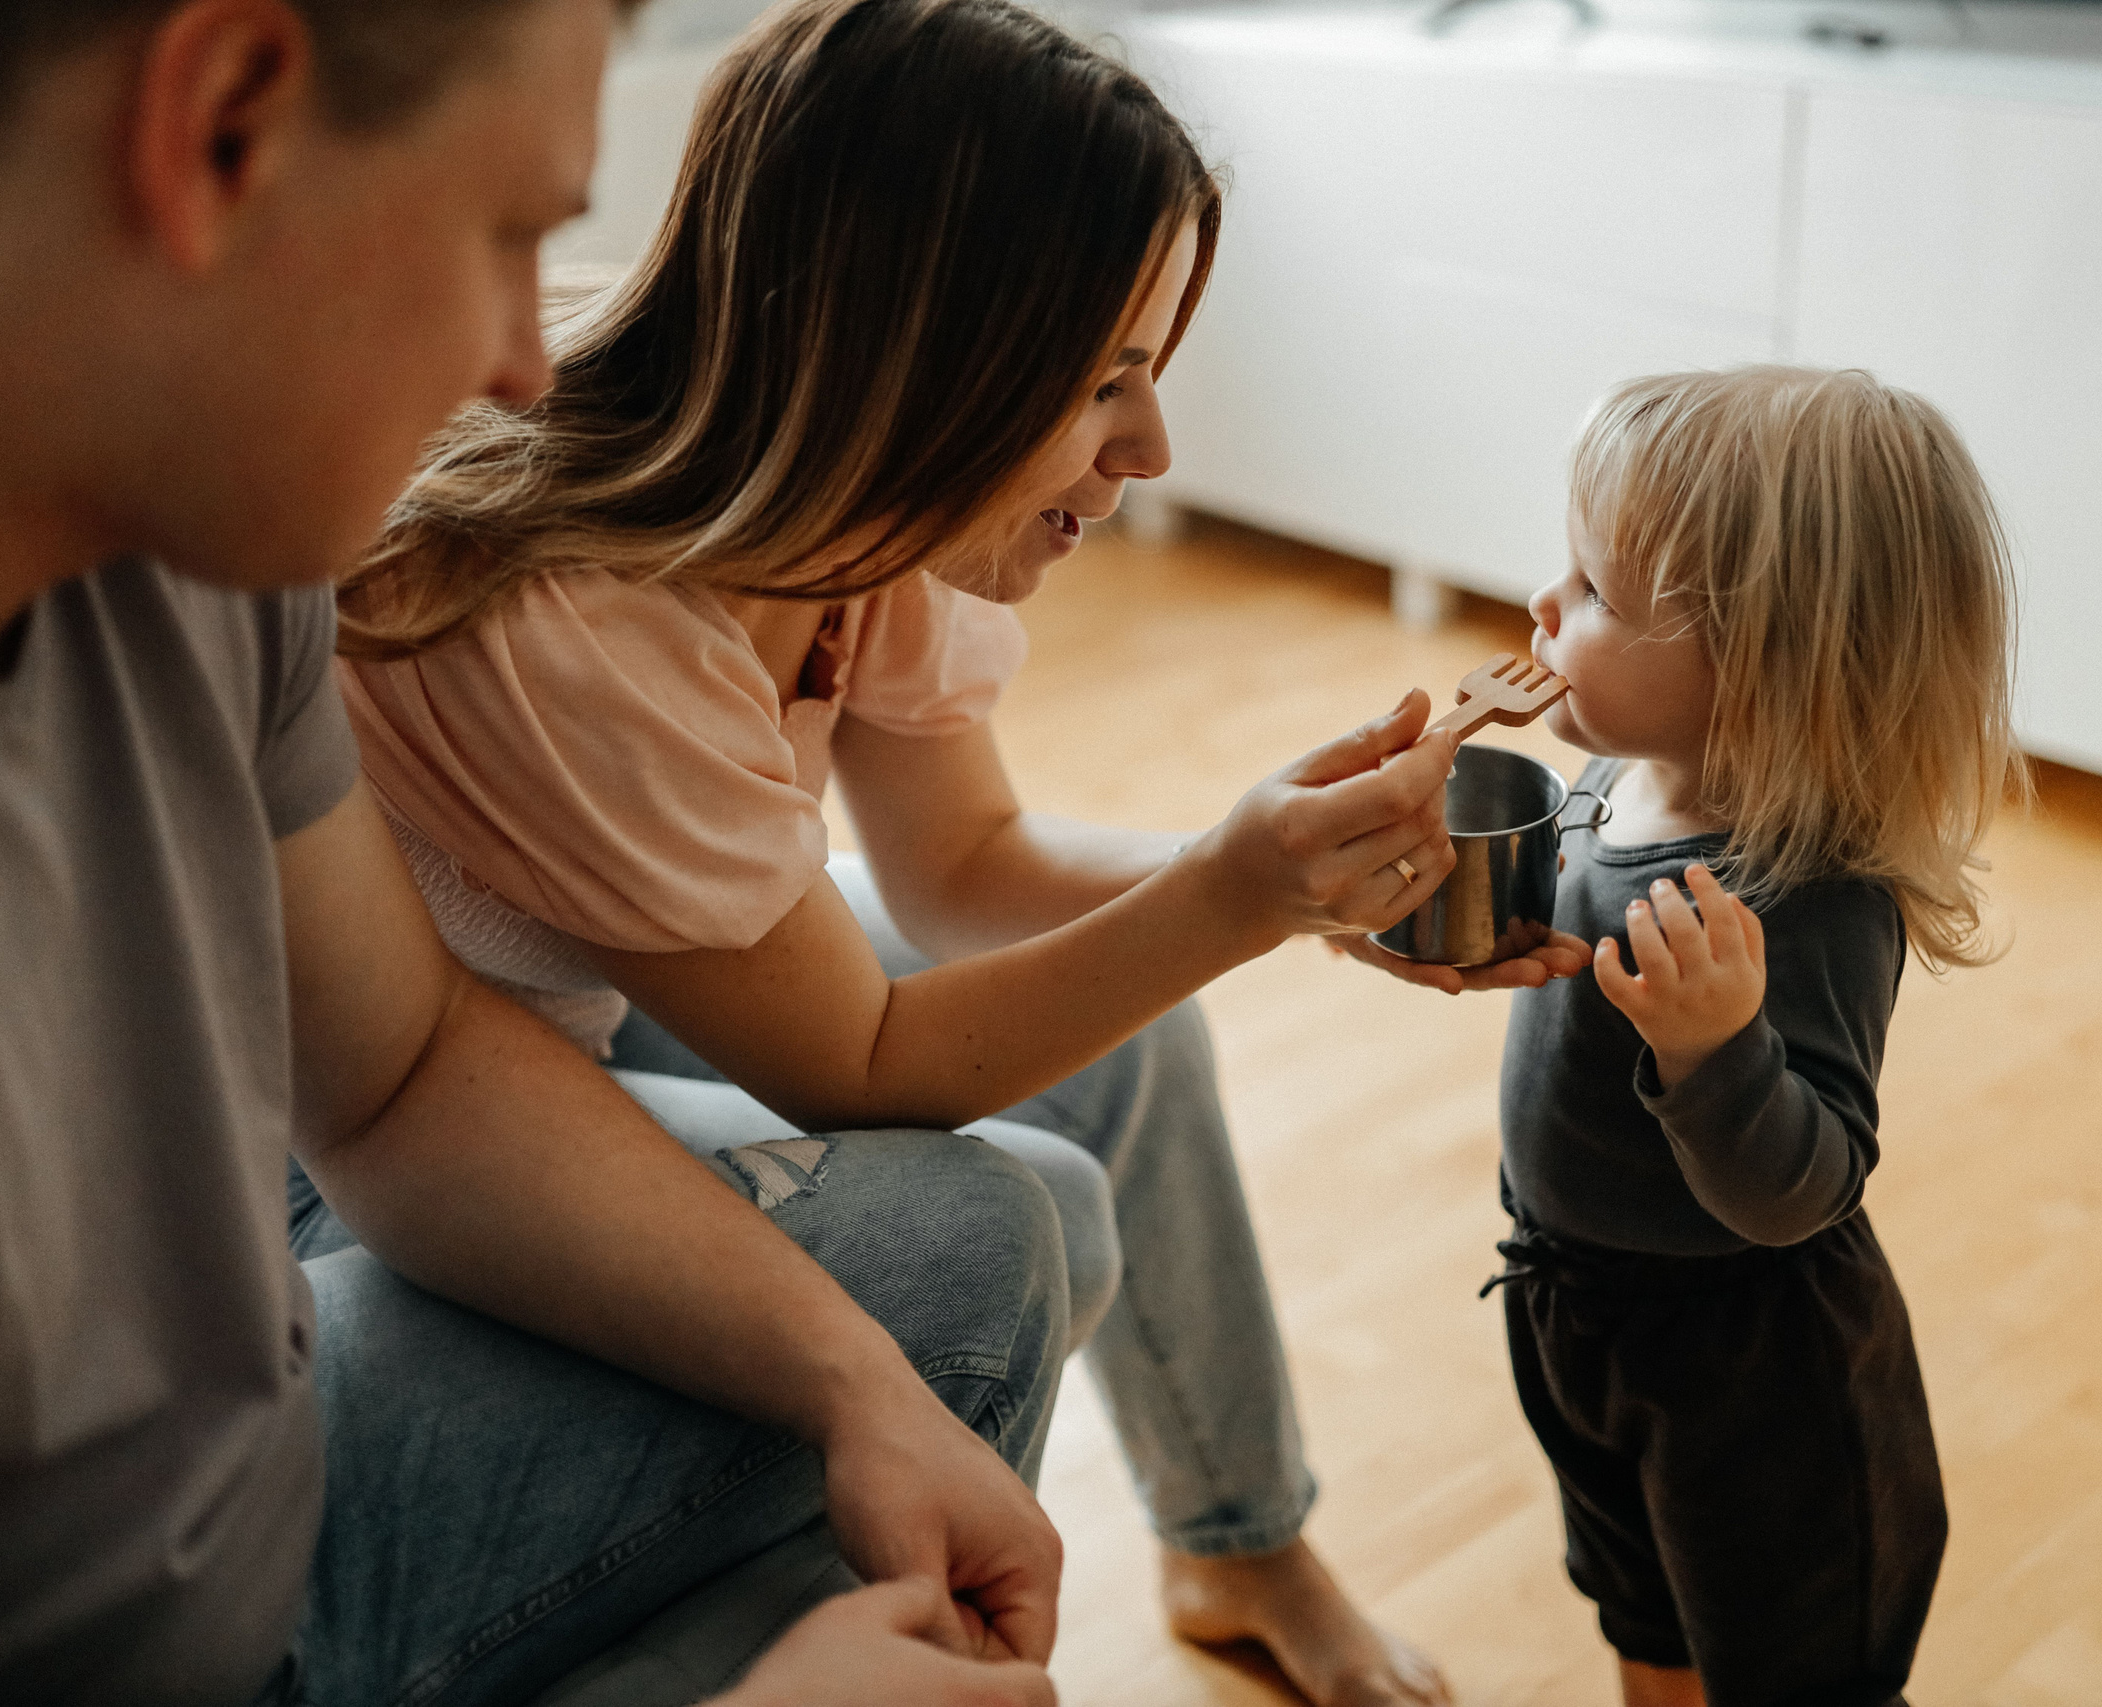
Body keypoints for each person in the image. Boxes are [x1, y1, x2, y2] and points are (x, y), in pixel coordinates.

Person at [0, 1, 1224, 1700]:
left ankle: (1227, 1539)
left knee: (999, 1238)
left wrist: (853, 1381)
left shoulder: (212, 570)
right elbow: (851, 1050)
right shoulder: (469, 586)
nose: (529, 360)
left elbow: (403, 1076)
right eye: (513, 228)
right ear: (225, 120)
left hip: (270, 1440)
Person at [330, 3, 1461, 1702]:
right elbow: (860, 1064)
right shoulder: (580, 611)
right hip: (361, 1135)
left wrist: (1287, 881)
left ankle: (1240, 1545)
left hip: (575, 989)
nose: (1150, 451)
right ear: (914, 357)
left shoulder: (881, 518)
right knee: (1029, 1216)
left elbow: (969, 866)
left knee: (1123, 1049)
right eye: (1101, 381)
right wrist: (1232, 895)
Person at [1356, 365, 2019, 1707]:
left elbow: (1810, 1189)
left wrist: (1718, 1056)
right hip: (1573, 1301)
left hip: (1750, 1366)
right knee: (1641, 1609)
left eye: (1597, 593)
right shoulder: (1609, 783)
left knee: (1792, 1664)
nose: (1546, 608)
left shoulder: (1812, 895)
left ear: (1770, 660)